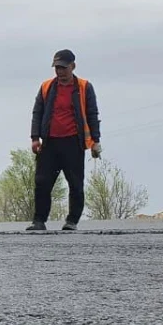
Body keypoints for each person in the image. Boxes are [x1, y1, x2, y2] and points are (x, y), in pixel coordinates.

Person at [28, 49, 101, 231]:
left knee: (75, 184)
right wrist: (35, 138)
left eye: (63, 68)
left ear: (73, 66)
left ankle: (72, 221)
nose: (59, 72)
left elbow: (92, 114)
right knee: (42, 182)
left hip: (73, 143)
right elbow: (38, 112)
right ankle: (39, 220)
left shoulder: (84, 87)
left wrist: (95, 141)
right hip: (50, 143)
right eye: (57, 68)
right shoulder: (46, 87)